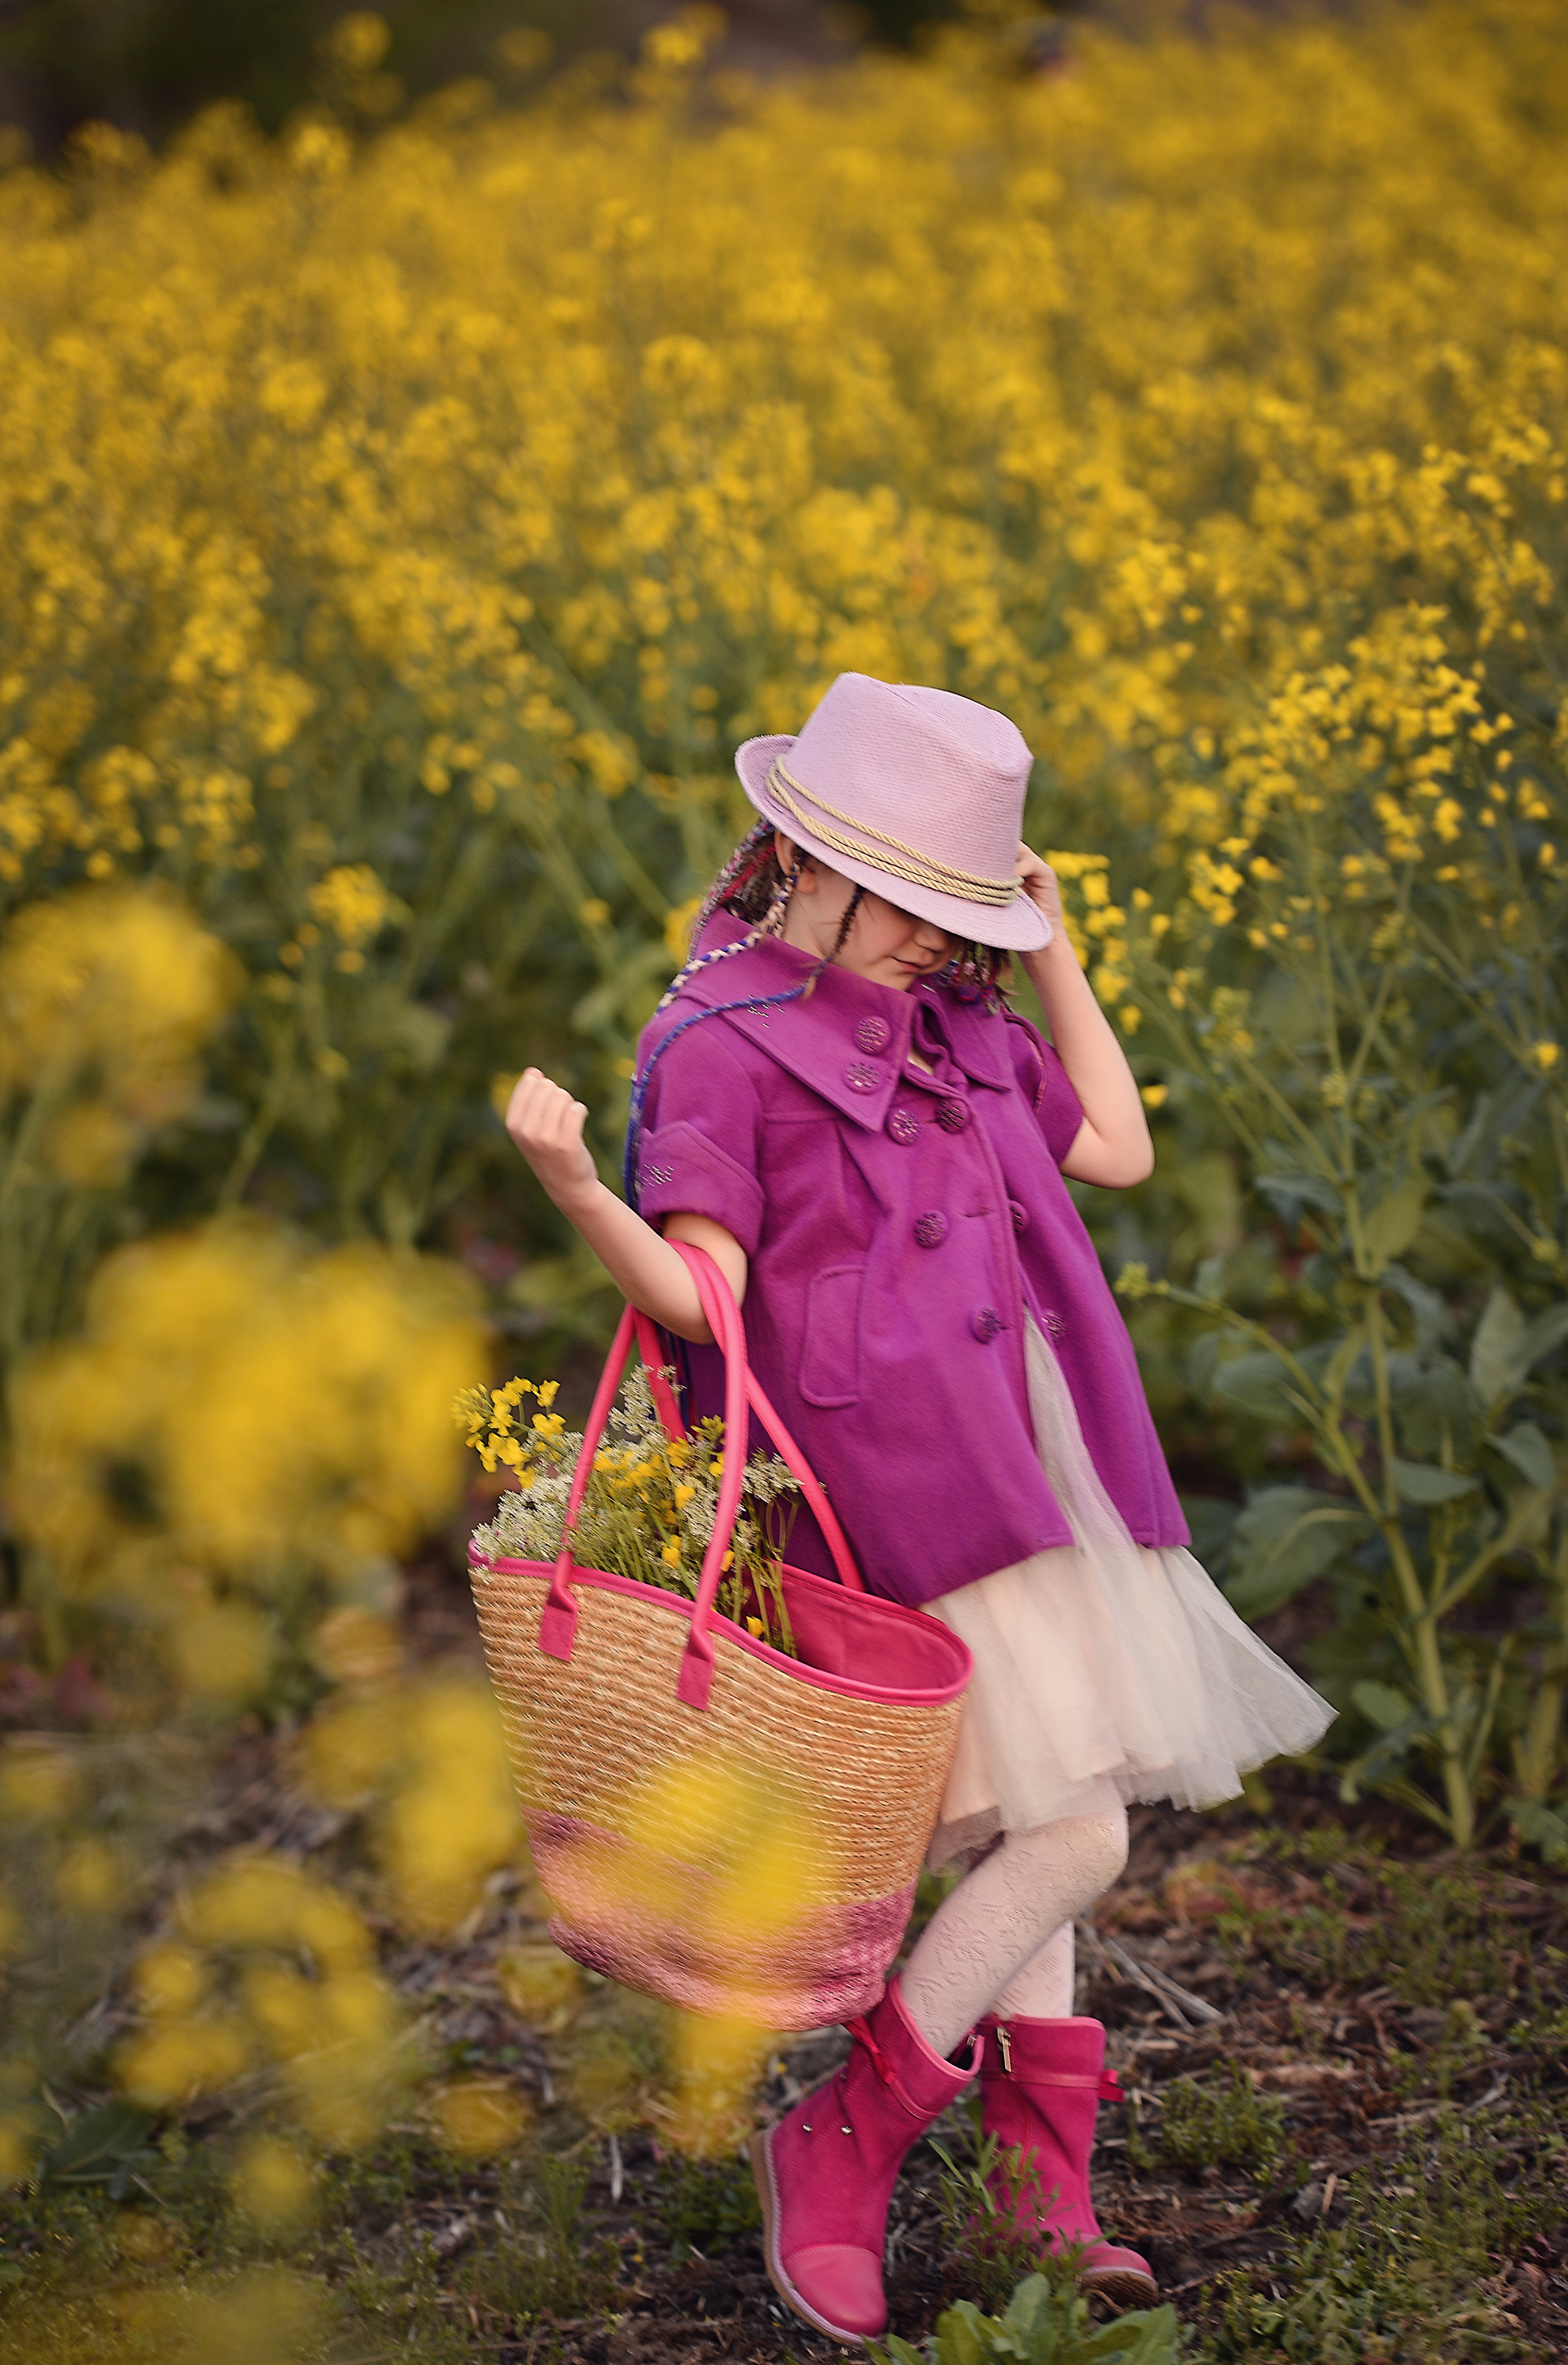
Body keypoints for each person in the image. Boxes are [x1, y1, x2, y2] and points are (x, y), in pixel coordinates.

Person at [505, 672, 1333, 2344]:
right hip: (889, 1498)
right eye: (913, 902)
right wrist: (580, 1187)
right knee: (1077, 1825)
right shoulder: (720, 1046)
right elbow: (697, 1298)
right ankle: (844, 2137)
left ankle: (1041, 2187)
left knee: (1059, 1800)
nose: (925, 940)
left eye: (953, 910)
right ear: (804, 856)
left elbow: (1116, 1144)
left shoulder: (970, 1016)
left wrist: (1049, 950)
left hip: (1032, 1474)